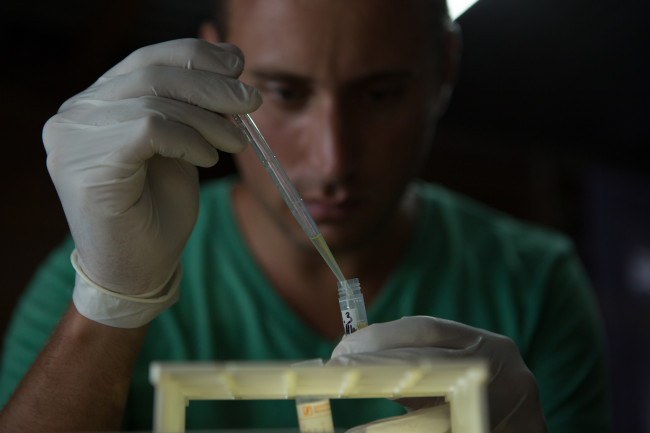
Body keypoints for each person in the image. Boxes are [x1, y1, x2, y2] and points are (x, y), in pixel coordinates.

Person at [0, 0, 610, 431]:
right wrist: (112, 305)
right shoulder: (95, 274)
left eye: (380, 94)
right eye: (285, 94)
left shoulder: (535, 283)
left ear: (445, 66)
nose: (332, 160)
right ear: (210, 71)